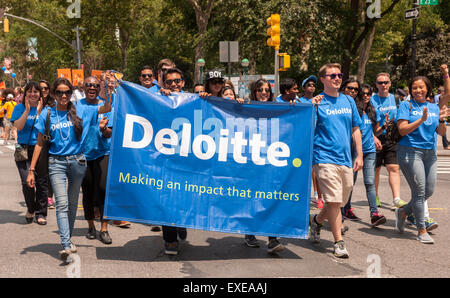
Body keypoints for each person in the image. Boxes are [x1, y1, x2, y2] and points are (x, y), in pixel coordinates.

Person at [26, 77, 111, 263]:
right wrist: (31, 170)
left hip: (77, 162)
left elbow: (106, 109)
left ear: (71, 93)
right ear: (54, 94)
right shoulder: (47, 114)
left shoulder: (80, 109)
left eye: (67, 92)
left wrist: (106, 92)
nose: (63, 96)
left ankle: (68, 238)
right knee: (62, 204)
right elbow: (40, 142)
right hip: (55, 162)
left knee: (72, 204)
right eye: (59, 92)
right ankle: (65, 244)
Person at [309, 63, 363, 258]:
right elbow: (308, 128)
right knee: (333, 200)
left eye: (339, 75)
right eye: (332, 76)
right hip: (323, 157)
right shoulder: (317, 102)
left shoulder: (348, 101)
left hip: (346, 159)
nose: (337, 78)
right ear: (322, 79)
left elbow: (356, 128)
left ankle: (316, 221)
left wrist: (360, 155)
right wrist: (311, 107)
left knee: (339, 202)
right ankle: (339, 242)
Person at [394, 71, 448, 244]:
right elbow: (402, 129)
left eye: (421, 87)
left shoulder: (434, 107)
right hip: (409, 151)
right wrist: (421, 120)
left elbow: (441, 132)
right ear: (411, 90)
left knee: (429, 191)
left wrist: (441, 120)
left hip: (429, 153)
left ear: (428, 90)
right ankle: (421, 230)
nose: (418, 90)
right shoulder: (406, 105)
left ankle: (403, 212)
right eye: (414, 88)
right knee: (419, 192)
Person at [243, 78, 284, 254]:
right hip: (250, 160)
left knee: (270, 197)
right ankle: (250, 232)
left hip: (271, 160)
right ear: (255, 92)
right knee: (252, 197)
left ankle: (272, 239)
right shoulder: (245, 108)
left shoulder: (278, 109)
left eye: (267, 90)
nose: (264, 93)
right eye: (260, 90)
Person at [78, 76, 114, 244]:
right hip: (83, 155)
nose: (92, 87)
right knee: (87, 191)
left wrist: (104, 129)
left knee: (102, 189)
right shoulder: (77, 106)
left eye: (95, 85)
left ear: (99, 88)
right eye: (88, 85)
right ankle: (91, 226)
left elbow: (110, 133)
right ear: (83, 87)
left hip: (102, 152)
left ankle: (104, 228)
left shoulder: (106, 107)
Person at [158, 67, 189, 255]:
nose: (173, 85)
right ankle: (169, 238)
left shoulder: (193, 99)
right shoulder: (159, 98)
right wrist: (162, 98)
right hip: (165, 158)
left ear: (183, 83)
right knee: (166, 198)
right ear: (163, 84)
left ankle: (181, 223)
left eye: (177, 81)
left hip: (188, 158)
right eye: (169, 82)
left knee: (185, 196)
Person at [11, 82, 48, 225]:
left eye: (36, 91)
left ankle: (41, 213)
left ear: (40, 94)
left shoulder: (45, 110)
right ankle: (31, 208)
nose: (33, 94)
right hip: (23, 149)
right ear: (25, 94)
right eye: (30, 91)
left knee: (42, 182)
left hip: (40, 148)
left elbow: (46, 130)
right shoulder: (19, 108)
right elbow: (18, 127)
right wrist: (27, 111)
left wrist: (39, 113)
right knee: (27, 182)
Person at [371, 73, 406, 209]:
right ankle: (375, 197)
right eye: (380, 83)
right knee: (376, 169)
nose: (383, 85)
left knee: (393, 168)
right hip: (376, 138)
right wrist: (373, 136)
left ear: (390, 83)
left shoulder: (396, 99)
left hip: (392, 139)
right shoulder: (372, 100)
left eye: (386, 82)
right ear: (376, 85)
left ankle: (396, 198)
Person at [355, 84, 386, 226]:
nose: (366, 96)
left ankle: (374, 214)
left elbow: (375, 132)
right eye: (363, 93)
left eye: (369, 94)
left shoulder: (372, 110)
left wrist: (384, 127)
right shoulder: (354, 110)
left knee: (369, 182)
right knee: (350, 183)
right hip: (355, 151)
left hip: (370, 151)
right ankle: (345, 210)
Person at [39, 80, 56, 209]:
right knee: (40, 171)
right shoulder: (31, 103)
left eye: (46, 88)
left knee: (51, 170)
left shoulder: (53, 104)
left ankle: (49, 196)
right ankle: (40, 195)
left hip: (50, 140)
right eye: (41, 88)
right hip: (36, 141)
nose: (43, 90)